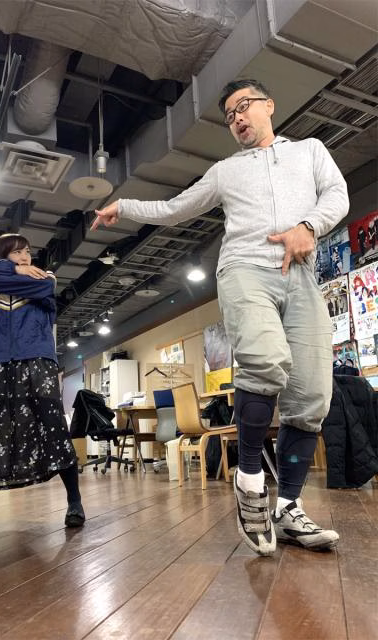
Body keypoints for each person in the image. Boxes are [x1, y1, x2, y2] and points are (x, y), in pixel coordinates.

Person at [92, 79, 349, 556]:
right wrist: (124, 206)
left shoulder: (309, 151)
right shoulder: (225, 171)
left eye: (243, 107)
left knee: (312, 396)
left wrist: (309, 226)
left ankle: (288, 508)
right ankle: (249, 480)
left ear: (269, 105)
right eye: (229, 115)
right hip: (244, 269)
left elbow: (337, 193)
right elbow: (175, 208)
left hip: (302, 276)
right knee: (265, 360)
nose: (237, 119)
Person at [0, 233, 85, 528]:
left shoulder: (43, 278)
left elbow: (44, 287)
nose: (25, 258)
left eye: (27, 253)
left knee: (52, 425)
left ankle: (74, 501)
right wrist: (14, 271)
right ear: (1, 257)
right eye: (16, 253)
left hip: (37, 359)